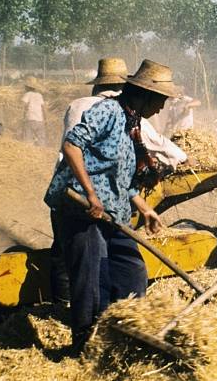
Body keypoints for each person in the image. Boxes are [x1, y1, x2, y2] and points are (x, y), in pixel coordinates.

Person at [44, 59, 178, 355]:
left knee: (131, 270)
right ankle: (87, 345)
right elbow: (71, 146)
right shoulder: (107, 111)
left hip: (114, 213)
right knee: (91, 278)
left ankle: (126, 331)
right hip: (82, 210)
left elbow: (121, 177)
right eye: (160, 101)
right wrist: (90, 194)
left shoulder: (133, 125)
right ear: (143, 95)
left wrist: (145, 209)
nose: (161, 109)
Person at [21, 77, 47, 146]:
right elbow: (43, 108)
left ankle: (29, 153)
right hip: (40, 120)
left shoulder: (27, 94)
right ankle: (41, 152)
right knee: (41, 139)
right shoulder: (39, 95)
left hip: (30, 119)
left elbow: (23, 106)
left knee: (28, 139)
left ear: (27, 87)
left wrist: (22, 117)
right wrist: (45, 119)